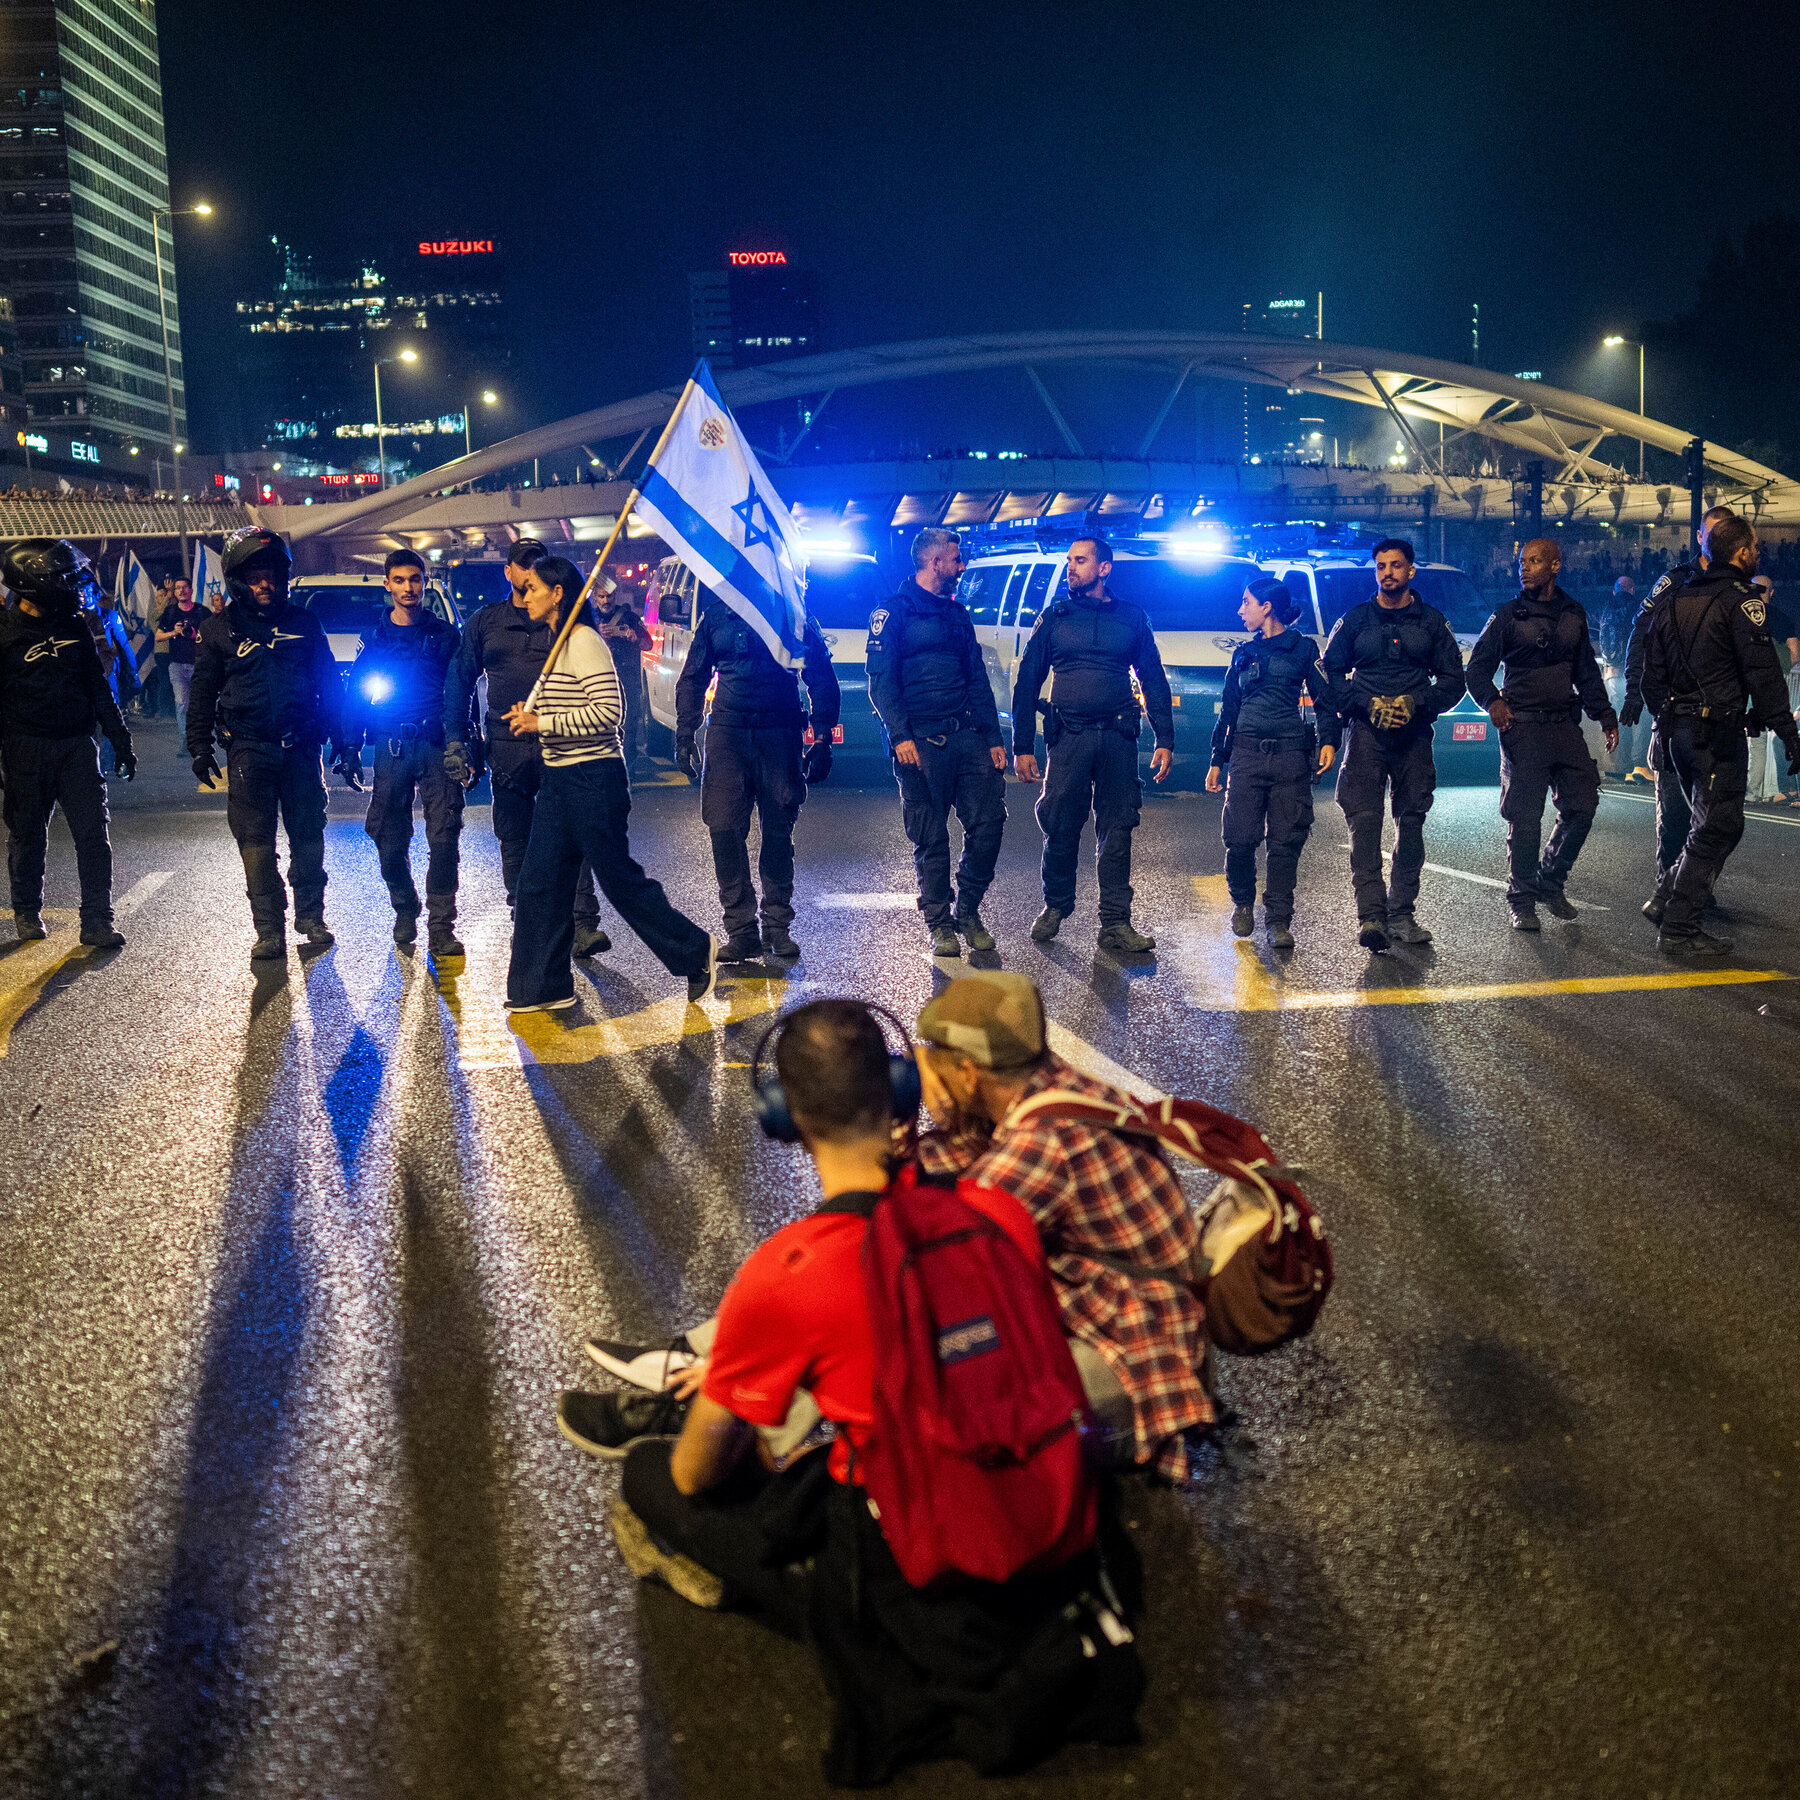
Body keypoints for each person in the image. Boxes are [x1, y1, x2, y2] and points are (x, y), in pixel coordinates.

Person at [563, 998, 1141, 1787]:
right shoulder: (996, 1213)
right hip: (1043, 1518)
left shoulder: (790, 1269)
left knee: (652, 1478)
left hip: (916, 1554)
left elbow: (698, 1472)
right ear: (899, 1094)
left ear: (784, 1118)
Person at [909, 973, 1211, 1479]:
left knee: (947, 1379)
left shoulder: (1042, 1144)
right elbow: (962, 1151)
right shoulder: (1051, 1080)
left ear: (966, 1073)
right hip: (1157, 1314)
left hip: (1142, 1364)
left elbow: (949, 1243)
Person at [502, 556, 715, 1013]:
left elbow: (608, 714)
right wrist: (537, 717)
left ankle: (696, 952)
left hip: (592, 779)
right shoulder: (559, 642)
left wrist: (543, 722)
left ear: (559, 593)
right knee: (539, 883)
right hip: (560, 780)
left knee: (619, 881)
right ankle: (543, 988)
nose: (527, 597)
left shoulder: (583, 642)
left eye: (534, 588)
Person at [186, 527, 350, 961]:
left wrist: (346, 740)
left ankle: (311, 916)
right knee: (255, 843)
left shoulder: (304, 622)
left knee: (309, 835)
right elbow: (201, 693)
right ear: (239, 579)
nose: (265, 583)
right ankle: (268, 929)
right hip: (248, 750)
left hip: (300, 747)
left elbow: (330, 685)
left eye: (272, 574)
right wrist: (199, 748)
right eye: (256, 575)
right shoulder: (217, 630)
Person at [442, 539, 610, 959]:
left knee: (574, 833)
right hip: (509, 748)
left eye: (537, 564)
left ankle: (582, 924)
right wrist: (456, 740)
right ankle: (525, 917)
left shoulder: (565, 620)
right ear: (509, 571)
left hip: (562, 744)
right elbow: (460, 682)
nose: (529, 571)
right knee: (515, 837)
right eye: (523, 565)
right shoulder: (487, 622)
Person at [1641, 514, 1800, 953]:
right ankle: (1677, 925)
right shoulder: (1742, 602)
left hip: (1677, 732)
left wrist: (1668, 716)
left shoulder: (1674, 598)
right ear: (1743, 552)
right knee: (1719, 826)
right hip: (1717, 734)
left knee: (1704, 822)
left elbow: (1651, 675)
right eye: (1756, 549)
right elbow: (1763, 674)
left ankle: (1666, 895)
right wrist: (1788, 731)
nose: (1758, 556)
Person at [1012, 538, 1172, 955]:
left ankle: (1116, 924)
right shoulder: (1055, 618)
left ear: (1104, 569)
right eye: (1069, 561)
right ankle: (1056, 905)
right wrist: (1022, 744)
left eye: (1080, 561)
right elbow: (1028, 681)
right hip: (1070, 736)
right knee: (1061, 824)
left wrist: (1165, 739)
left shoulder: (1132, 618)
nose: (1071, 568)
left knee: (1118, 829)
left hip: (1118, 737)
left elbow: (1153, 680)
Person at [674, 585, 839, 961]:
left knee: (779, 831)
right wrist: (685, 734)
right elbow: (694, 677)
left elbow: (821, 676)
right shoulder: (717, 616)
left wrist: (824, 735)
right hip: (728, 734)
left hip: (779, 733)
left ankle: (777, 927)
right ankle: (742, 931)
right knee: (724, 829)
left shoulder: (794, 618)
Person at [865, 526, 1007, 957]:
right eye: (955, 558)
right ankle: (940, 924)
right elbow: (881, 683)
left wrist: (994, 737)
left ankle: (968, 909)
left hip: (967, 737)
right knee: (931, 838)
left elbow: (978, 680)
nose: (961, 565)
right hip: (920, 743)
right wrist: (900, 735)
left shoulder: (957, 614)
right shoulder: (892, 614)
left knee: (989, 825)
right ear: (934, 562)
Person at [1320, 537, 1466, 952]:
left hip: (1414, 735)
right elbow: (1329, 674)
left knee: (1412, 822)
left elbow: (1455, 680)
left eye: (1396, 565)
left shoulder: (1432, 622)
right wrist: (1365, 704)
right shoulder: (1355, 620)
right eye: (1381, 566)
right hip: (1365, 734)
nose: (1388, 573)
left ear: (1410, 571)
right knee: (1364, 824)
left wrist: (1414, 703)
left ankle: (1402, 914)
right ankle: (1371, 916)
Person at [1465, 539, 1619, 930]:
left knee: (1582, 807)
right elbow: (1476, 670)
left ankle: (1551, 880)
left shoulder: (1573, 613)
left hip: (1564, 726)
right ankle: (1522, 901)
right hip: (1523, 727)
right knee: (1525, 817)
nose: (1525, 568)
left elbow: (1586, 671)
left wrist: (1605, 715)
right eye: (1522, 561)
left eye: (1534, 561)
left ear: (1555, 565)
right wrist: (1493, 703)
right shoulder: (1507, 616)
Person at [0, 539, 135, 947]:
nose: (74, 587)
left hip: (77, 746)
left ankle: (97, 920)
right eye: (63, 579)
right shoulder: (4, 634)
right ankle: (26, 910)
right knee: (28, 835)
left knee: (94, 835)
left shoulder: (75, 625)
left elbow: (98, 689)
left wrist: (120, 739)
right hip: (26, 749)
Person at [345, 549, 473, 957]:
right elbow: (354, 697)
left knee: (445, 837)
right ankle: (405, 906)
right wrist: (349, 746)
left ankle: (441, 926)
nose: (408, 588)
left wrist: (468, 743)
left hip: (437, 746)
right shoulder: (376, 638)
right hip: (393, 746)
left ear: (424, 582)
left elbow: (462, 694)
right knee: (386, 835)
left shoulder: (444, 635)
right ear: (387, 585)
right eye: (399, 580)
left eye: (414, 580)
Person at [1205, 576, 1335, 949]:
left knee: (1285, 842)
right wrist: (1218, 759)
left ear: (1267, 607)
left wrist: (1329, 741)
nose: (1240, 609)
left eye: (1246, 602)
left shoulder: (1303, 648)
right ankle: (1243, 903)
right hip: (1246, 755)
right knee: (1240, 839)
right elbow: (1228, 711)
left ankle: (1278, 920)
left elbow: (1324, 699)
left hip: (1290, 756)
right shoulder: (1243, 653)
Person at [1620, 506, 1736, 898]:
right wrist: (1635, 687)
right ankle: (1668, 891)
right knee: (1675, 815)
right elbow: (1641, 631)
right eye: (1713, 532)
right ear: (1701, 537)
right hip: (1675, 716)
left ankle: (1691, 887)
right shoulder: (1675, 581)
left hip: (1719, 720)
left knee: (1719, 819)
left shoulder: (1737, 588)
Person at [592, 580, 653, 767]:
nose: (605, 600)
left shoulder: (629, 618)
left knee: (629, 725)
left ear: (615, 595)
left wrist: (634, 637)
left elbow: (648, 644)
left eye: (608, 596)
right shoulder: (588, 619)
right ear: (595, 597)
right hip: (598, 681)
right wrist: (597, 634)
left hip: (627, 679)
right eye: (601, 596)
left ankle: (628, 770)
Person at [90, 586, 139, 775]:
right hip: (85, 677)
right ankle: (96, 763)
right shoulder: (69, 616)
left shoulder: (110, 617)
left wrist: (133, 675)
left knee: (110, 716)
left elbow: (125, 647)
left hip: (107, 674)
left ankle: (106, 762)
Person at [155, 577, 203, 752]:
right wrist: (173, 632)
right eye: (178, 588)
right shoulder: (170, 612)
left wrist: (193, 635)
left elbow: (210, 636)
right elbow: (158, 636)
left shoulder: (201, 611)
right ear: (174, 592)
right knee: (181, 703)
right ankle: (185, 739)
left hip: (198, 664)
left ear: (191, 590)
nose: (181, 590)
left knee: (198, 704)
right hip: (177, 664)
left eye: (185, 587)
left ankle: (200, 738)